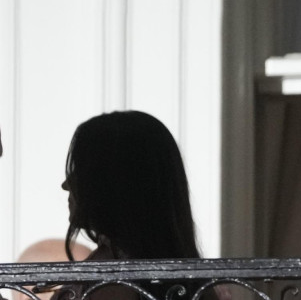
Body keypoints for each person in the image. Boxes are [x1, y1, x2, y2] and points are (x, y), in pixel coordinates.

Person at [53, 110, 221, 300]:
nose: (66, 184)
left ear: (113, 182)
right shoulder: (113, 266)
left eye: (82, 169)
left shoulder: (115, 282)